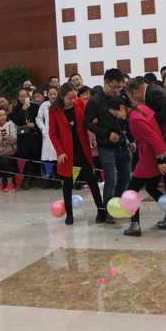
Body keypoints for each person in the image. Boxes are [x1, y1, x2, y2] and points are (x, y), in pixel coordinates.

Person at [108, 93, 166, 236]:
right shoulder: (141, 108)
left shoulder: (134, 119)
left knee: (130, 192)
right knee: (151, 187)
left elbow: (153, 138)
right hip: (156, 155)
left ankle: (135, 225)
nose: (117, 117)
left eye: (116, 113)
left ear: (121, 107)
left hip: (150, 159)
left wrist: (161, 160)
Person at [50, 83, 105, 225]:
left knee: (91, 178)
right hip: (66, 151)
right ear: (62, 97)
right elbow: (53, 134)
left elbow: (89, 118)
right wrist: (60, 152)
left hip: (82, 147)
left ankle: (100, 210)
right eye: (70, 98)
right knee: (67, 182)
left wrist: (94, 120)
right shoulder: (54, 110)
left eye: (75, 97)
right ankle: (69, 214)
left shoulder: (80, 103)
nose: (73, 100)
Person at [85, 69, 132, 224]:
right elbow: (88, 123)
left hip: (123, 145)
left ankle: (117, 204)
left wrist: (131, 139)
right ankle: (108, 211)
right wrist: (106, 134)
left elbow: (127, 119)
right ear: (105, 82)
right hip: (106, 147)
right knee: (111, 179)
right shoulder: (94, 102)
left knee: (125, 177)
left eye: (120, 87)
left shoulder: (120, 97)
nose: (117, 90)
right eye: (114, 87)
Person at [10, 87, 42, 189]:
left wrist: (34, 124)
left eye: (25, 96)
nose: (23, 98)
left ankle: (37, 178)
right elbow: (16, 121)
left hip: (34, 135)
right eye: (21, 96)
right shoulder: (16, 108)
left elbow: (40, 119)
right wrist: (23, 110)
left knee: (36, 156)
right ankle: (25, 179)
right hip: (23, 137)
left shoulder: (35, 107)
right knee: (24, 157)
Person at [37, 85, 59, 189]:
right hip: (47, 134)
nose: (53, 96)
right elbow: (39, 118)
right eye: (51, 94)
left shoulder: (61, 104)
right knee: (47, 158)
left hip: (58, 134)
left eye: (55, 94)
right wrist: (43, 128)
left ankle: (57, 181)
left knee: (56, 157)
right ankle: (48, 180)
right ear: (47, 95)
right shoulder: (44, 105)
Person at [0, 107, 18, 191]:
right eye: (0, 116)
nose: (2, 117)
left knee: (6, 161)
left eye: (4, 115)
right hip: (2, 151)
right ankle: (0, 182)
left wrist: (8, 137)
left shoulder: (11, 125)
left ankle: (10, 182)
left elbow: (16, 140)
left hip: (11, 151)